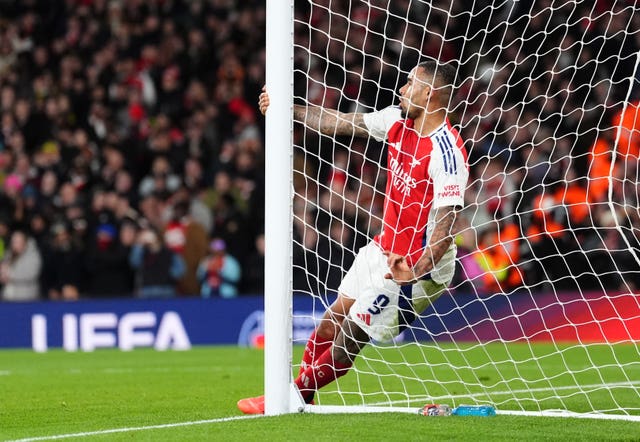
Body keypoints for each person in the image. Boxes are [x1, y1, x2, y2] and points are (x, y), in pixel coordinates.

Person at [238, 60, 469, 414]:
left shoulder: (447, 152)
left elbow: (445, 225)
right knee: (332, 319)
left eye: (410, 84)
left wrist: (417, 270)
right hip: (384, 246)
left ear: (429, 93)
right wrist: (288, 110)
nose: (402, 90)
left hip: (417, 266)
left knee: (354, 333)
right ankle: (300, 396)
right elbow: (341, 122)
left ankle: (289, 395)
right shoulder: (396, 121)